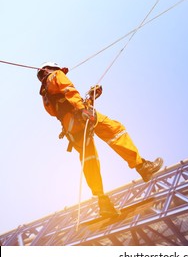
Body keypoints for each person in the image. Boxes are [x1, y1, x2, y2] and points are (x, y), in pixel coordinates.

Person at [37, 62, 163, 217]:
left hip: (71, 128)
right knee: (115, 131)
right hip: (80, 116)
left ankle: (103, 202)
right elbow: (69, 91)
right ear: (51, 69)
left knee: (89, 160)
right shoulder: (55, 76)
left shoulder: (45, 96)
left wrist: (90, 98)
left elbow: (64, 108)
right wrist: (84, 109)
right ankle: (142, 166)